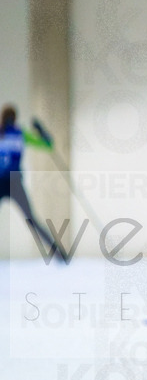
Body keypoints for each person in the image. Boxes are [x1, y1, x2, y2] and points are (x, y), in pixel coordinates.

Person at [0, 104, 68, 263]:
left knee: (32, 219)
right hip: (12, 181)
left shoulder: (16, 133)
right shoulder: (18, 134)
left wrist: (41, 132)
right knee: (32, 220)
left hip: (11, 181)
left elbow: (48, 144)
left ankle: (59, 254)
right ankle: (59, 254)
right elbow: (48, 144)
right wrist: (42, 132)